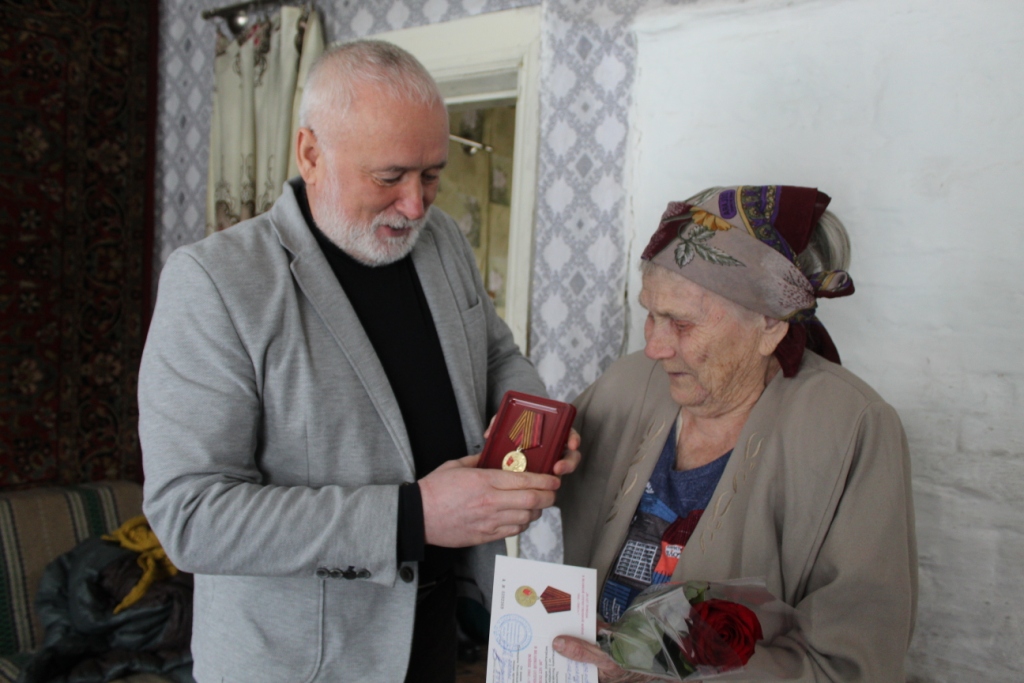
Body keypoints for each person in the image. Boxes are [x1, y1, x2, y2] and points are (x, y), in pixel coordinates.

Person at [138, 40, 578, 683]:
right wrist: (414, 517)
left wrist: (536, 424)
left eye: (432, 175)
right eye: (389, 177)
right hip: (303, 666)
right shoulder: (214, 282)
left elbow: (495, 353)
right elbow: (192, 517)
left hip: (439, 633)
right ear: (311, 154)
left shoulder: (442, 240)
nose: (416, 205)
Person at [552, 186, 917, 681]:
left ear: (770, 325)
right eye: (650, 314)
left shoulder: (851, 428)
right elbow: (538, 484)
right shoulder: (628, 383)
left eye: (681, 323)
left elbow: (853, 665)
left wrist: (654, 673)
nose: (655, 347)